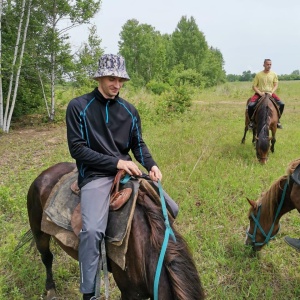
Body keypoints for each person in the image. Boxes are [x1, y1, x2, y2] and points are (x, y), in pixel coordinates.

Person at [66, 54, 178, 300]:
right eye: (111, 78)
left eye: (121, 79)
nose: (117, 84)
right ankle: (89, 291)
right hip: (95, 174)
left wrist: (152, 164)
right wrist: (116, 161)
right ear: (99, 77)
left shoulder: (129, 110)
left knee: (172, 207)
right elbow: (77, 149)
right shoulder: (78, 107)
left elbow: (138, 144)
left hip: (127, 171)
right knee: (93, 230)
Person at [248, 59, 285, 129]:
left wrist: (271, 92)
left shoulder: (273, 74)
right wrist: (260, 93)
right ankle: (252, 122)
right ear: (264, 65)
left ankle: (278, 120)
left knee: (282, 104)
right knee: (250, 105)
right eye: (267, 64)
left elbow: (276, 84)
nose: (269, 66)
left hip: (270, 93)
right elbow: (254, 86)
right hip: (260, 93)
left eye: (270, 64)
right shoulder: (258, 75)